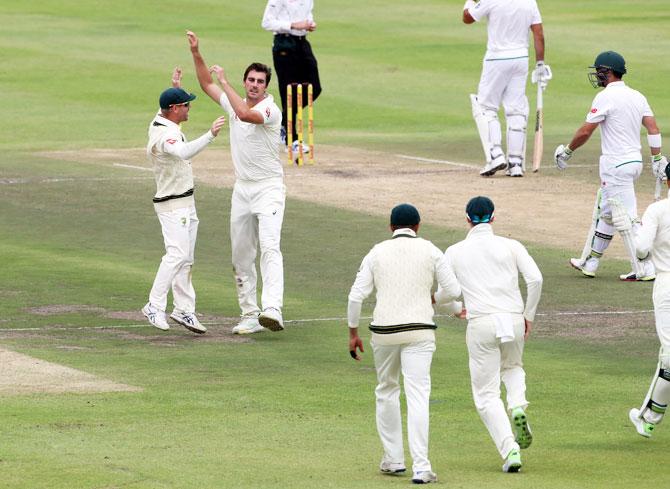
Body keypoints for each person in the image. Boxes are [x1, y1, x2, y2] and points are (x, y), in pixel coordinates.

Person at [347, 204, 462, 484]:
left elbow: (355, 297)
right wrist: (435, 299)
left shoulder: (377, 251)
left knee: (387, 389)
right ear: (418, 226)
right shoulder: (431, 249)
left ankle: (394, 460)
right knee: (417, 395)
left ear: (390, 227)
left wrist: (353, 333)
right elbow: (455, 291)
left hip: (384, 332)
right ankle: (422, 467)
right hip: (420, 331)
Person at [186, 31, 286, 335]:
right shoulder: (234, 101)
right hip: (242, 189)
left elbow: (243, 114)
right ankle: (249, 314)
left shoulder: (270, 110)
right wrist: (196, 52)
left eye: (260, 81)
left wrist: (226, 82)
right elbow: (205, 83)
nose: (255, 85)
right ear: (246, 82)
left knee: (269, 247)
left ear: (266, 87)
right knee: (240, 254)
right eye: (251, 80)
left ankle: (272, 308)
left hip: (269, 187)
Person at [434, 196, 543, 473]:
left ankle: (510, 450)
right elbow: (535, 279)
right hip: (513, 319)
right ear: (493, 218)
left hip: (481, 322)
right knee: (514, 366)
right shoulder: (511, 245)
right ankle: (517, 404)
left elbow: (445, 294)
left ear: (467, 219)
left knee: (486, 395)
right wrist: (528, 315)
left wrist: (455, 309)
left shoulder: (455, 251)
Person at [555, 51, 664, 281]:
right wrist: (656, 158)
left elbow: (586, 130)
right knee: (607, 213)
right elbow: (653, 129)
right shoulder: (638, 96)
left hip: (615, 166)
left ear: (608, 72)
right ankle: (591, 262)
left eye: (599, 72)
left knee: (627, 217)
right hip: (634, 162)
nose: (597, 76)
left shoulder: (605, 97)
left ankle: (645, 267)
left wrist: (567, 152)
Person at [142, 73, 226, 334]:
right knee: (176, 254)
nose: (190, 108)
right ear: (176, 109)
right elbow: (183, 152)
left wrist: (176, 89)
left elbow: (166, 105)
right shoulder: (166, 136)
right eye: (186, 104)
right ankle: (154, 306)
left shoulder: (163, 117)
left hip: (185, 201)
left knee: (186, 259)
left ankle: (184, 310)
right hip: (172, 204)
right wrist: (210, 135)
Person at [611, 163, 670, 438]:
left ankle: (649, 417)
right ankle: (649, 417)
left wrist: (633, 231)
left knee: (669, 356)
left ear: (667, 182)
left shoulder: (657, 210)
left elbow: (643, 250)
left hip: (666, 284)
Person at [463, 0, 550, 177]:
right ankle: (516, 162)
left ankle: (496, 155)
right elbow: (538, 33)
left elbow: (467, 18)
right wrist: (540, 63)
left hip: (496, 58)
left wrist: (469, 2)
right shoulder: (529, 1)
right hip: (521, 59)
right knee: (516, 109)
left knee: (486, 107)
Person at [261, 0, 322, 152]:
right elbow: (267, 23)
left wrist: (310, 24)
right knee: (288, 90)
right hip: (284, 43)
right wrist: (293, 25)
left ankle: (282, 121)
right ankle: (292, 139)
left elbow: (308, 16)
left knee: (315, 87)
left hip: (302, 43)